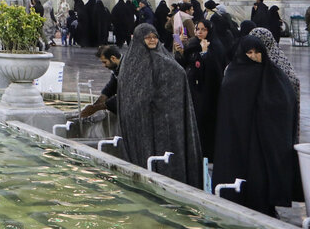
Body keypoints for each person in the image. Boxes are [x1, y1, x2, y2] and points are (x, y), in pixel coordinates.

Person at [212, 35, 299, 216]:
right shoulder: (234, 74)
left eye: (257, 52)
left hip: (262, 137)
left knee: (260, 178)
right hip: (239, 137)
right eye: (249, 52)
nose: (253, 56)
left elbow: (285, 101)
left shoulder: (272, 74)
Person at [115, 23, 204, 188]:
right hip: (139, 121)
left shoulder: (163, 59)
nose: (152, 40)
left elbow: (178, 76)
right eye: (147, 37)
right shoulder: (131, 62)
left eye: (154, 37)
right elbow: (130, 93)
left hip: (164, 121)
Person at [185, 19, 226, 159]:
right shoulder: (194, 44)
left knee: (207, 124)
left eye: (203, 29)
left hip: (210, 92)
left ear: (209, 31)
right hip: (196, 91)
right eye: (197, 29)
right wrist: (180, 51)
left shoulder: (215, 45)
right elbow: (187, 63)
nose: (199, 32)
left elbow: (214, 70)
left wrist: (205, 53)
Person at [80, 45, 121, 117]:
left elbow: (125, 97)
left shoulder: (128, 69)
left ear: (113, 58)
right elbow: (110, 88)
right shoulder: (117, 69)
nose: (104, 65)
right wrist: (94, 105)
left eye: (105, 62)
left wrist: (96, 108)